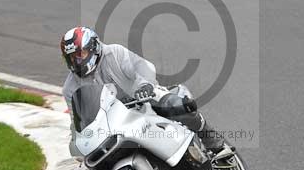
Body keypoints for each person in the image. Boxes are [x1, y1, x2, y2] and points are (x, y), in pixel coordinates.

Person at [60, 26, 227, 158]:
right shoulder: (70, 87)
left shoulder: (114, 53)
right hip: (113, 123)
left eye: (80, 54)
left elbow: (141, 66)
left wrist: (145, 85)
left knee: (175, 106)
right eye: (72, 58)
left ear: (93, 47)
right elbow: (77, 119)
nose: (77, 61)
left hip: (142, 100)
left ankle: (212, 141)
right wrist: (79, 141)